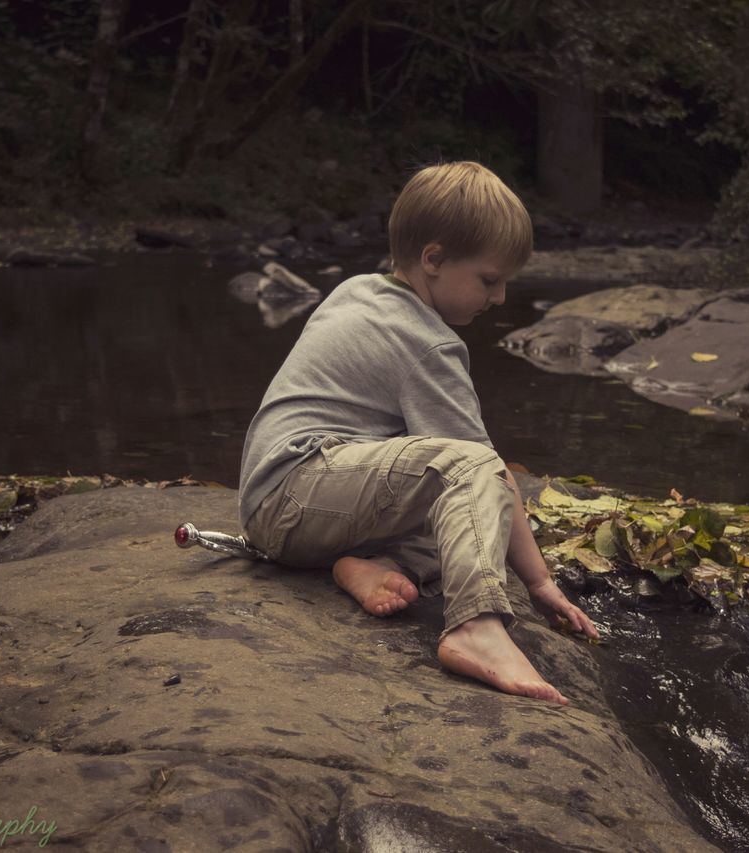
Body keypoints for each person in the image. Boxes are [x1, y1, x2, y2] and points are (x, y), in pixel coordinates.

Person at [237, 160, 600, 705]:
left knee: (466, 510)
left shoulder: (358, 290)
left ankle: (376, 568)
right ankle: (476, 626)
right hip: (299, 488)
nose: (499, 298)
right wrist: (539, 583)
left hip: (287, 505)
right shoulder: (427, 343)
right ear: (433, 259)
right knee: (473, 470)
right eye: (489, 280)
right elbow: (486, 469)